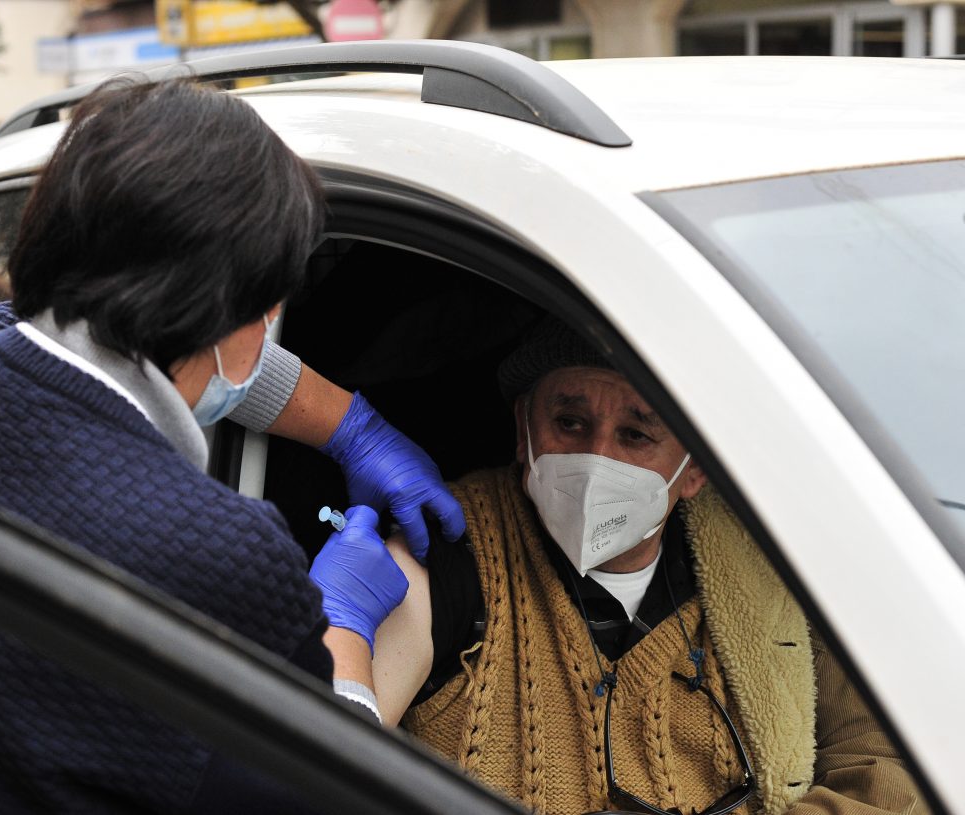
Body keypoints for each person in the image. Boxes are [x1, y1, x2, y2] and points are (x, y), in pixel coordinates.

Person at [0, 77, 461, 813]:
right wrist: (343, 627)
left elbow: (63, 322)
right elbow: (332, 787)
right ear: (249, 317)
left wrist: (350, 426)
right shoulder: (224, 557)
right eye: (269, 307)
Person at [322, 316, 930, 815]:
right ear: (522, 429)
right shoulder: (450, 550)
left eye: (636, 435)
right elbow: (319, 763)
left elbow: (893, 762)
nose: (595, 457)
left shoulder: (772, 573)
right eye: (569, 423)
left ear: (694, 469)